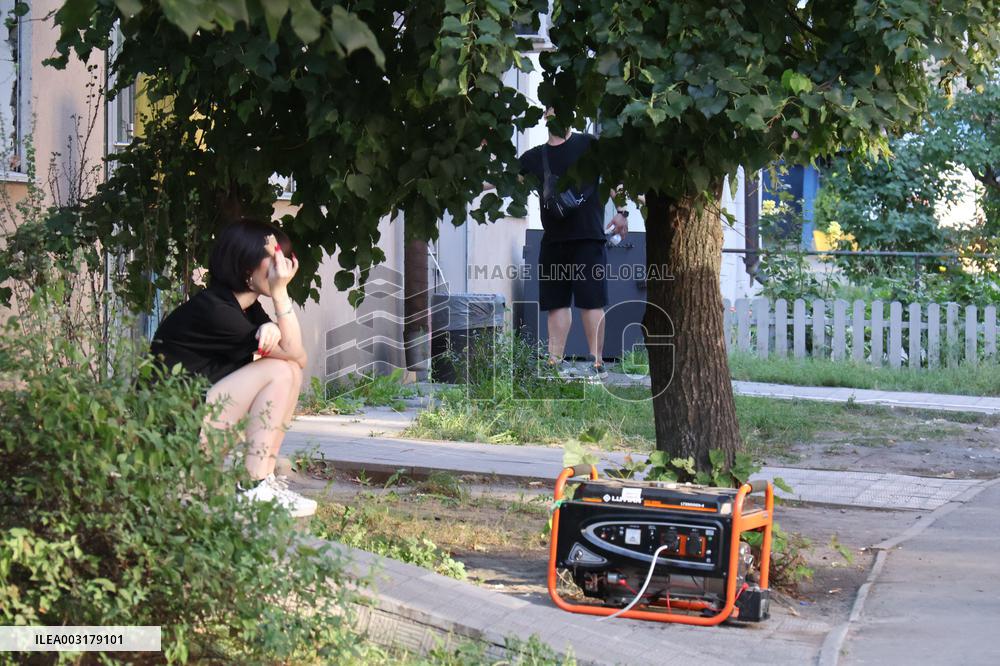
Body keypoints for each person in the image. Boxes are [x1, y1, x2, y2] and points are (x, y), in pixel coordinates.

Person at [148, 218, 316, 517]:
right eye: (274, 257)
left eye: (285, 257)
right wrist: (280, 294)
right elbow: (293, 353)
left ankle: (261, 481)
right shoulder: (215, 311)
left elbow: (296, 357)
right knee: (279, 370)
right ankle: (251, 488)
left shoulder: (246, 308)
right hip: (172, 438)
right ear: (246, 266)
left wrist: (273, 326)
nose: (284, 266)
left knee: (289, 371)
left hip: (197, 424)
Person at [519, 110, 629, 381]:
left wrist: (622, 211)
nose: (557, 115)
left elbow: (614, 178)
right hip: (553, 241)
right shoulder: (535, 157)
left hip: (588, 238)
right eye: (552, 110)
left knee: (591, 303)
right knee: (556, 304)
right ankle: (554, 363)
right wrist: (464, 184)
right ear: (545, 116)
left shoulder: (589, 145)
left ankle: (596, 364)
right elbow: (504, 180)